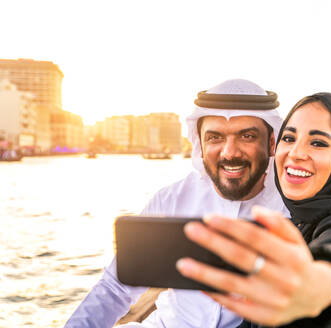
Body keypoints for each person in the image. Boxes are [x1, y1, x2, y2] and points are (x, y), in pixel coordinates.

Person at [64, 79, 290, 328]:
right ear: (200, 146)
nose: (229, 152)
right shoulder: (171, 200)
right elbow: (116, 287)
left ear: (271, 143)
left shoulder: (291, 207)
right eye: (215, 138)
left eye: (246, 136)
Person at [177, 92, 331, 327]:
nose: (295, 153)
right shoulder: (295, 223)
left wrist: (316, 289)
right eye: (288, 138)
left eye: (318, 143)